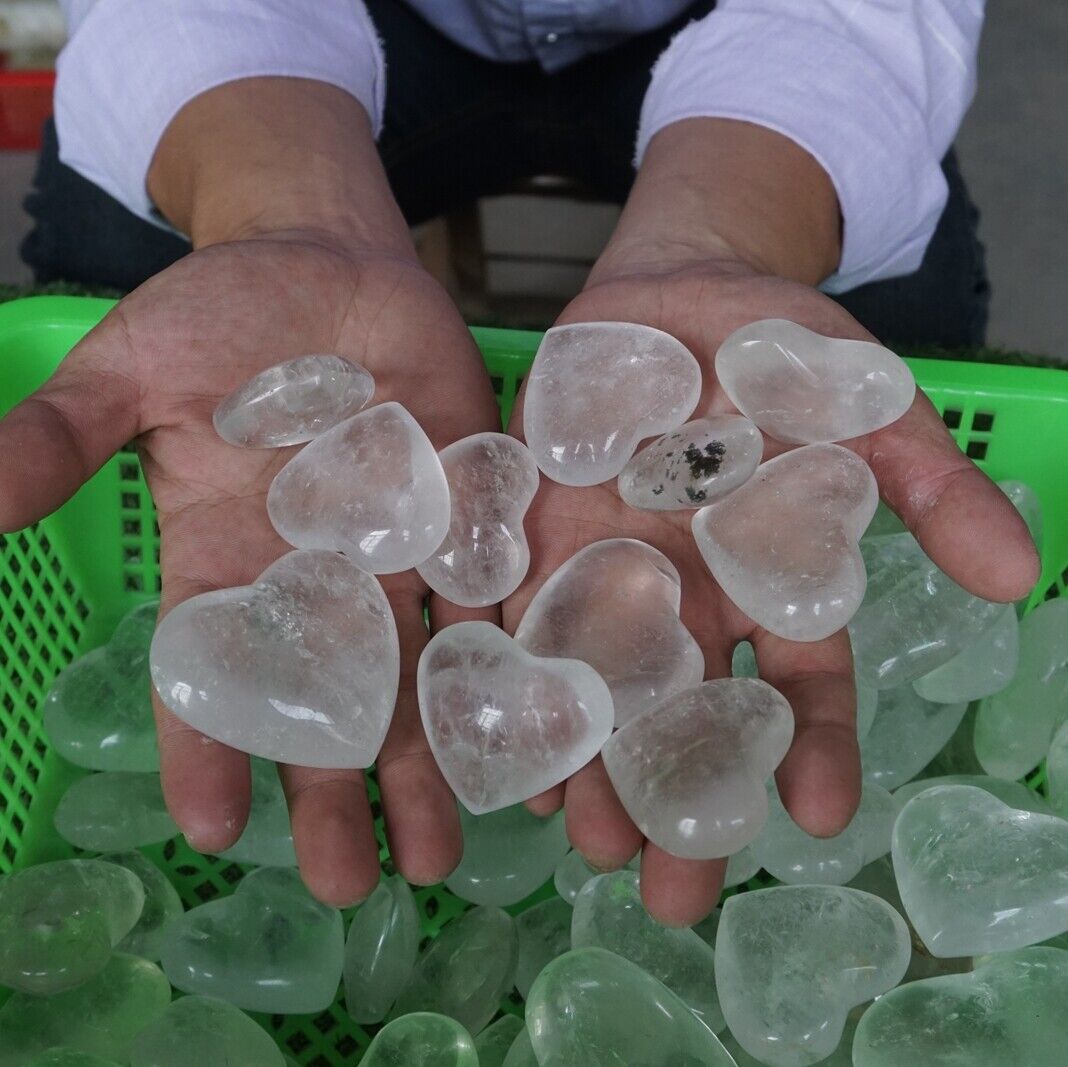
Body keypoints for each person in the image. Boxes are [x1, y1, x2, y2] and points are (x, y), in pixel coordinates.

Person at [4, 0, 1036, 925]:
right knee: (107, 265)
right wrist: (281, 208)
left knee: (915, 331)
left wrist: (733, 236)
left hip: (752, 41)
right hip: (360, 35)